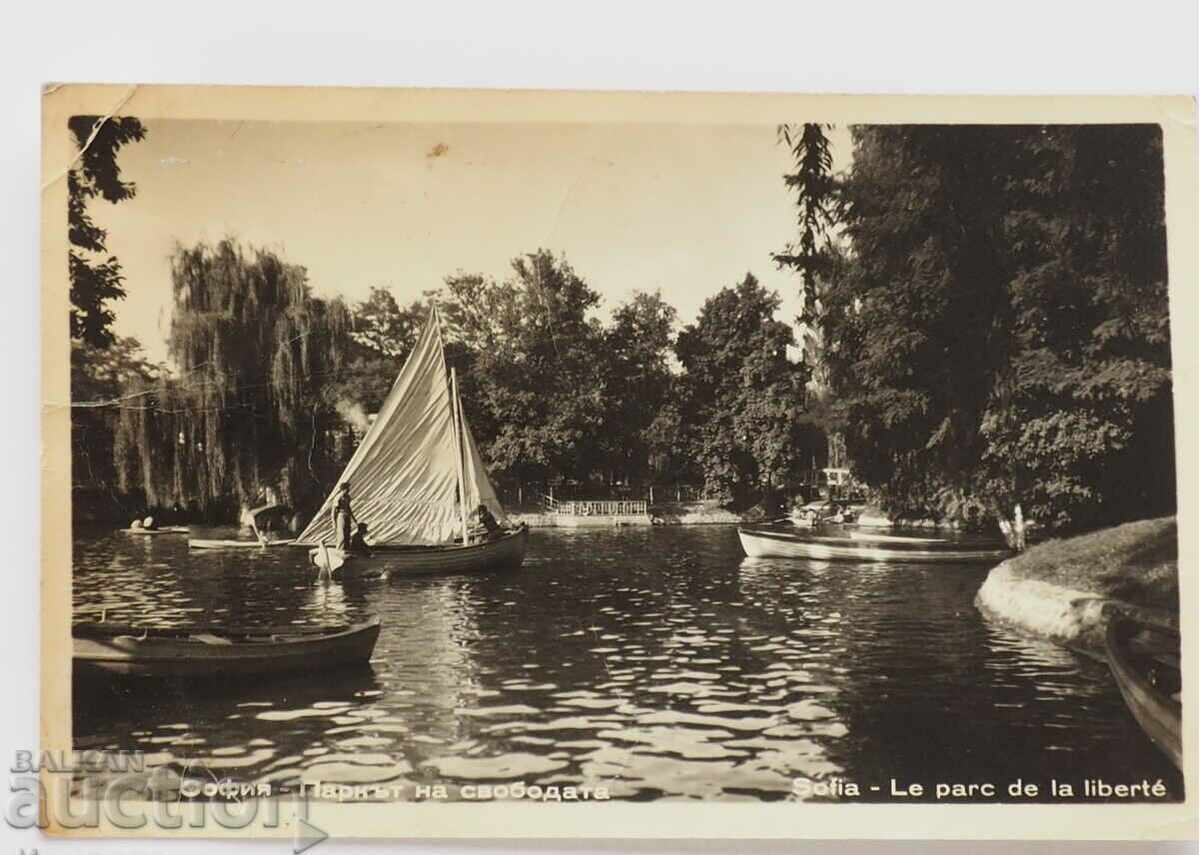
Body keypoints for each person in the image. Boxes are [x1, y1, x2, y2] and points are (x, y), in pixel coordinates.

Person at [331, 482, 355, 550]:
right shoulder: (338, 497)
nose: (349, 490)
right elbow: (333, 511)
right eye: (347, 488)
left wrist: (354, 518)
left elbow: (349, 508)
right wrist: (333, 522)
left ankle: (347, 550)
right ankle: (339, 549)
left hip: (347, 515)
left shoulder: (348, 497)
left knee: (347, 533)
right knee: (342, 535)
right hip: (341, 516)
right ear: (343, 489)